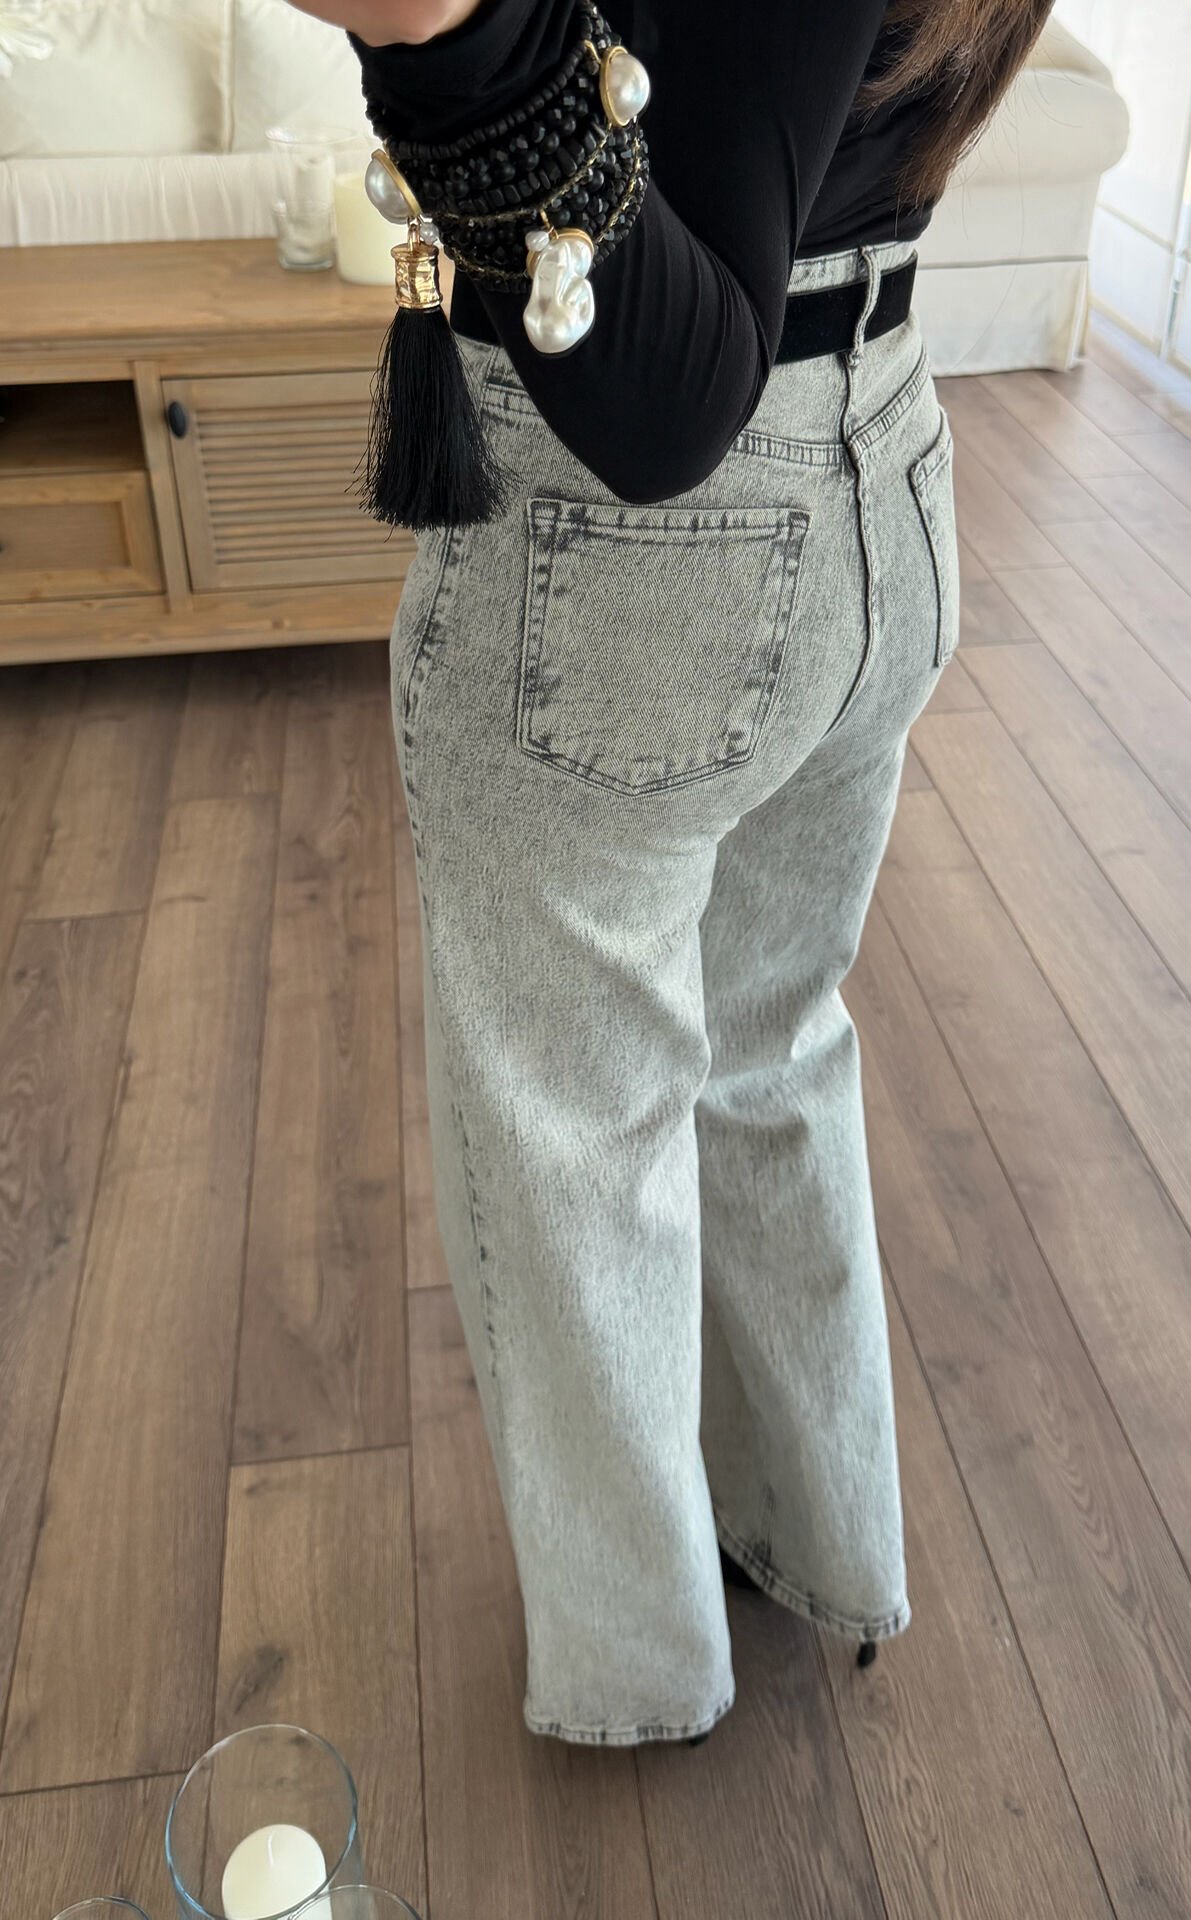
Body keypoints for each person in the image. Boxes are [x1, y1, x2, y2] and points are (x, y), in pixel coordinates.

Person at [292, 0, 1053, 1748]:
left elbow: (663, 414)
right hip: (880, 452)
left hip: (639, 550)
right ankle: (815, 1537)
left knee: (573, 1135)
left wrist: (442, 32)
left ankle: (640, 1677)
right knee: (765, 1047)